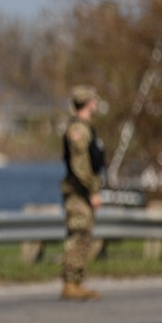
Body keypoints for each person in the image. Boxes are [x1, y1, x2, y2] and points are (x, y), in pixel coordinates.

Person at [60, 85, 105, 301]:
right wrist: (92, 191)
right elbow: (80, 165)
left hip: (82, 191)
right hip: (79, 192)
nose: (96, 104)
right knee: (78, 235)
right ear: (87, 103)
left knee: (83, 234)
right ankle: (71, 283)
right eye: (94, 101)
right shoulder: (78, 130)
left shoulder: (86, 128)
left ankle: (76, 281)